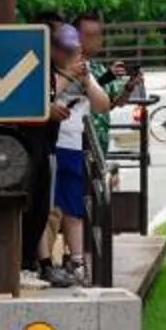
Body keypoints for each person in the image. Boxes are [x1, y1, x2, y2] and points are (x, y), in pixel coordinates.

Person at [41, 23, 109, 289]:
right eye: (67, 50)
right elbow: (42, 99)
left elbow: (102, 105)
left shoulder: (84, 71)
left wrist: (86, 80)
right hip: (50, 144)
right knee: (48, 209)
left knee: (73, 207)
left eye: (75, 50)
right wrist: (68, 75)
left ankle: (76, 259)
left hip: (72, 144)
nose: (71, 55)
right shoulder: (47, 72)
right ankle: (43, 263)